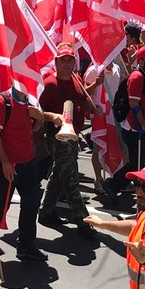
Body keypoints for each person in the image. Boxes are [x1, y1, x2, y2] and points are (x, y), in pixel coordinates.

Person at [38, 44, 102, 238]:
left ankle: (46, 211)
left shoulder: (75, 79)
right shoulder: (49, 84)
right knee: (70, 176)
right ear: (56, 62)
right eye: (62, 60)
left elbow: (82, 99)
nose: (66, 64)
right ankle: (82, 219)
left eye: (70, 60)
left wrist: (93, 109)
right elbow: (34, 111)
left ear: (74, 62)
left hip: (73, 135)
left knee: (60, 172)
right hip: (56, 137)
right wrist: (53, 117)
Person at [0, 84, 47, 261]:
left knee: (32, 203)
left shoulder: (31, 102)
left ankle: (26, 245)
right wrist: (6, 162)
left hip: (28, 163)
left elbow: (32, 129)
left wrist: (39, 119)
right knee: (0, 206)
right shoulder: (2, 102)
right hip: (7, 165)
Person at [110, 46, 145, 194]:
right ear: (140, 61)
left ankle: (116, 185)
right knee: (137, 164)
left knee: (137, 162)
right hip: (135, 129)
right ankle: (116, 185)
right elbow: (134, 103)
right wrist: (143, 124)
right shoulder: (137, 77)